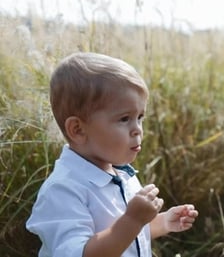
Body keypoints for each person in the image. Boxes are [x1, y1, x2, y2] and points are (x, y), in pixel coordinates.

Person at [26, 52, 199, 257]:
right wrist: (132, 220)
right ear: (78, 130)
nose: (137, 129)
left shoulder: (121, 175)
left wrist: (162, 222)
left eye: (140, 117)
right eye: (125, 119)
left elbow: (125, 237)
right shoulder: (63, 190)